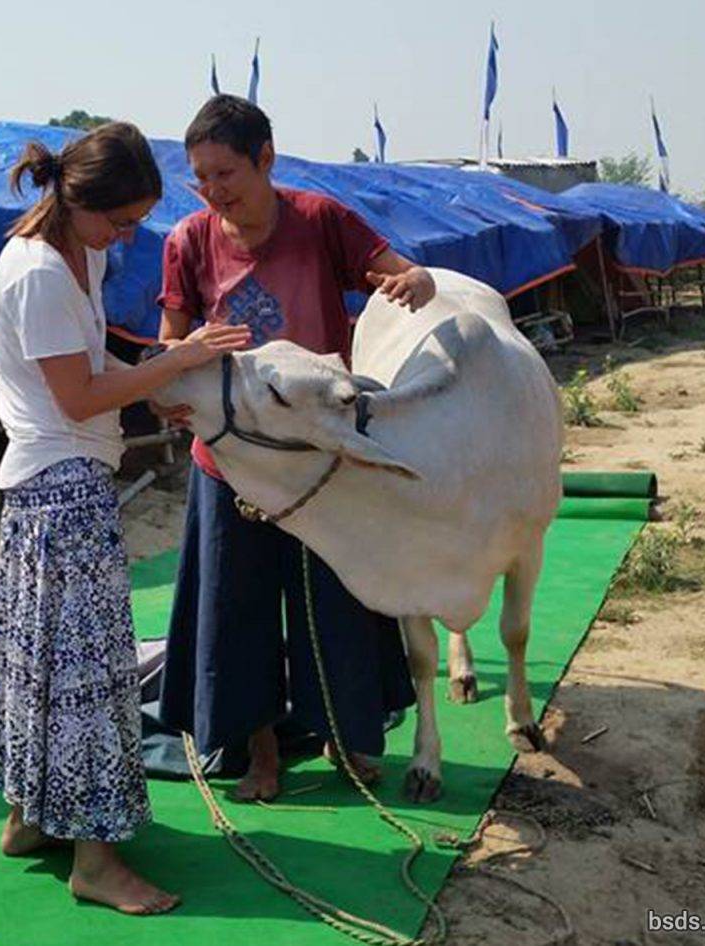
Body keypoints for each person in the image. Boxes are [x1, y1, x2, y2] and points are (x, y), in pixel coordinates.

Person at [0, 123, 250, 915]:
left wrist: (158, 383)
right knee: (90, 677)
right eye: (120, 221)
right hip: (61, 490)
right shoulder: (37, 276)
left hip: (53, 481)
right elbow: (81, 397)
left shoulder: (77, 254)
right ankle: (95, 860)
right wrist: (180, 360)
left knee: (40, 661)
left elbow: (97, 368)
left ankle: (29, 817)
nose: (125, 237)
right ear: (79, 198)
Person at [157, 95, 436, 802]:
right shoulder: (188, 240)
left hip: (318, 460)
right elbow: (170, 342)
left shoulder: (320, 221)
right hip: (232, 460)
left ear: (267, 160)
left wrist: (414, 281)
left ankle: (349, 741)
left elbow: (408, 273)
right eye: (202, 178)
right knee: (238, 604)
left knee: (335, 600)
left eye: (227, 174)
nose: (215, 191)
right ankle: (262, 758)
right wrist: (176, 368)